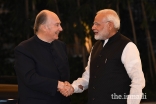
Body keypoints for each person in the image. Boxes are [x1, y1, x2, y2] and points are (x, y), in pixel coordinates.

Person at [60, 9, 145, 104]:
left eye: (97, 24)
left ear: (110, 25)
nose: (93, 27)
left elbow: (138, 81)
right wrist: (73, 87)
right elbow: (87, 78)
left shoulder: (127, 46)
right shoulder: (95, 47)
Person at [14, 10, 70, 104]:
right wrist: (58, 84)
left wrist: (66, 85)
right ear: (44, 27)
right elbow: (30, 78)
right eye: (57, 25)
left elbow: (64, 73)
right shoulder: (24, 49)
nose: (61, 29)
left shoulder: (61, 46)